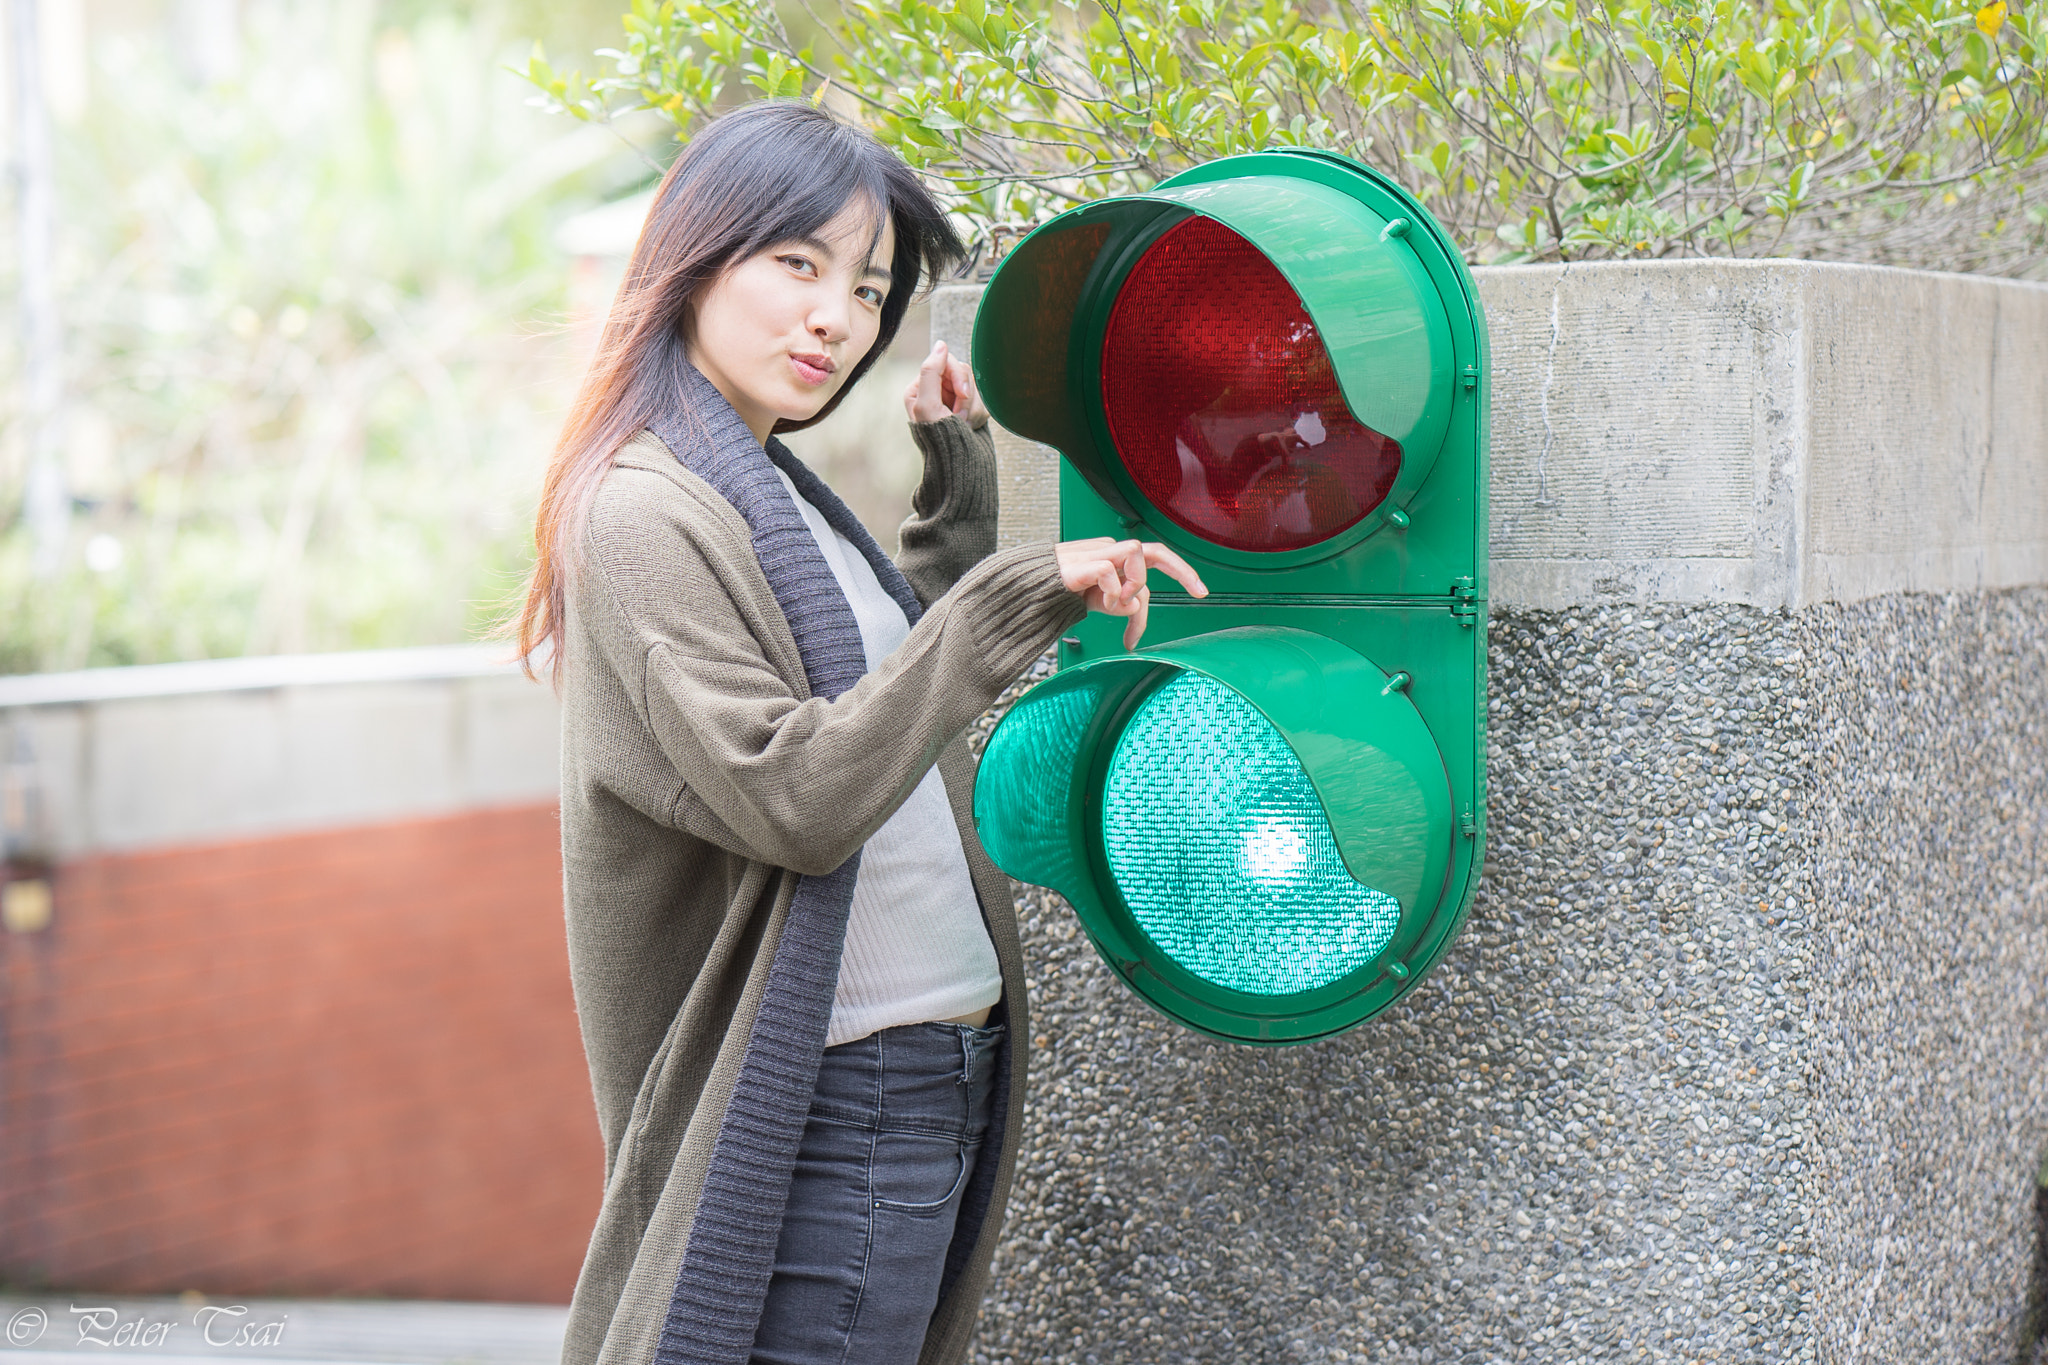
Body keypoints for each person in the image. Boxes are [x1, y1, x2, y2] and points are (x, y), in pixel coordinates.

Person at [511, 100, 1206, 1365]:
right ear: (696, 254)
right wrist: (1021, 590)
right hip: (837, 1102)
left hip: (908, 1082)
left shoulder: (761, 482)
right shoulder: (639, 513)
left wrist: (954, 486)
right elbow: (802, 794)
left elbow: (885, 709)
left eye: (870, 286)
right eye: (797, 263)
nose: (837, 314)